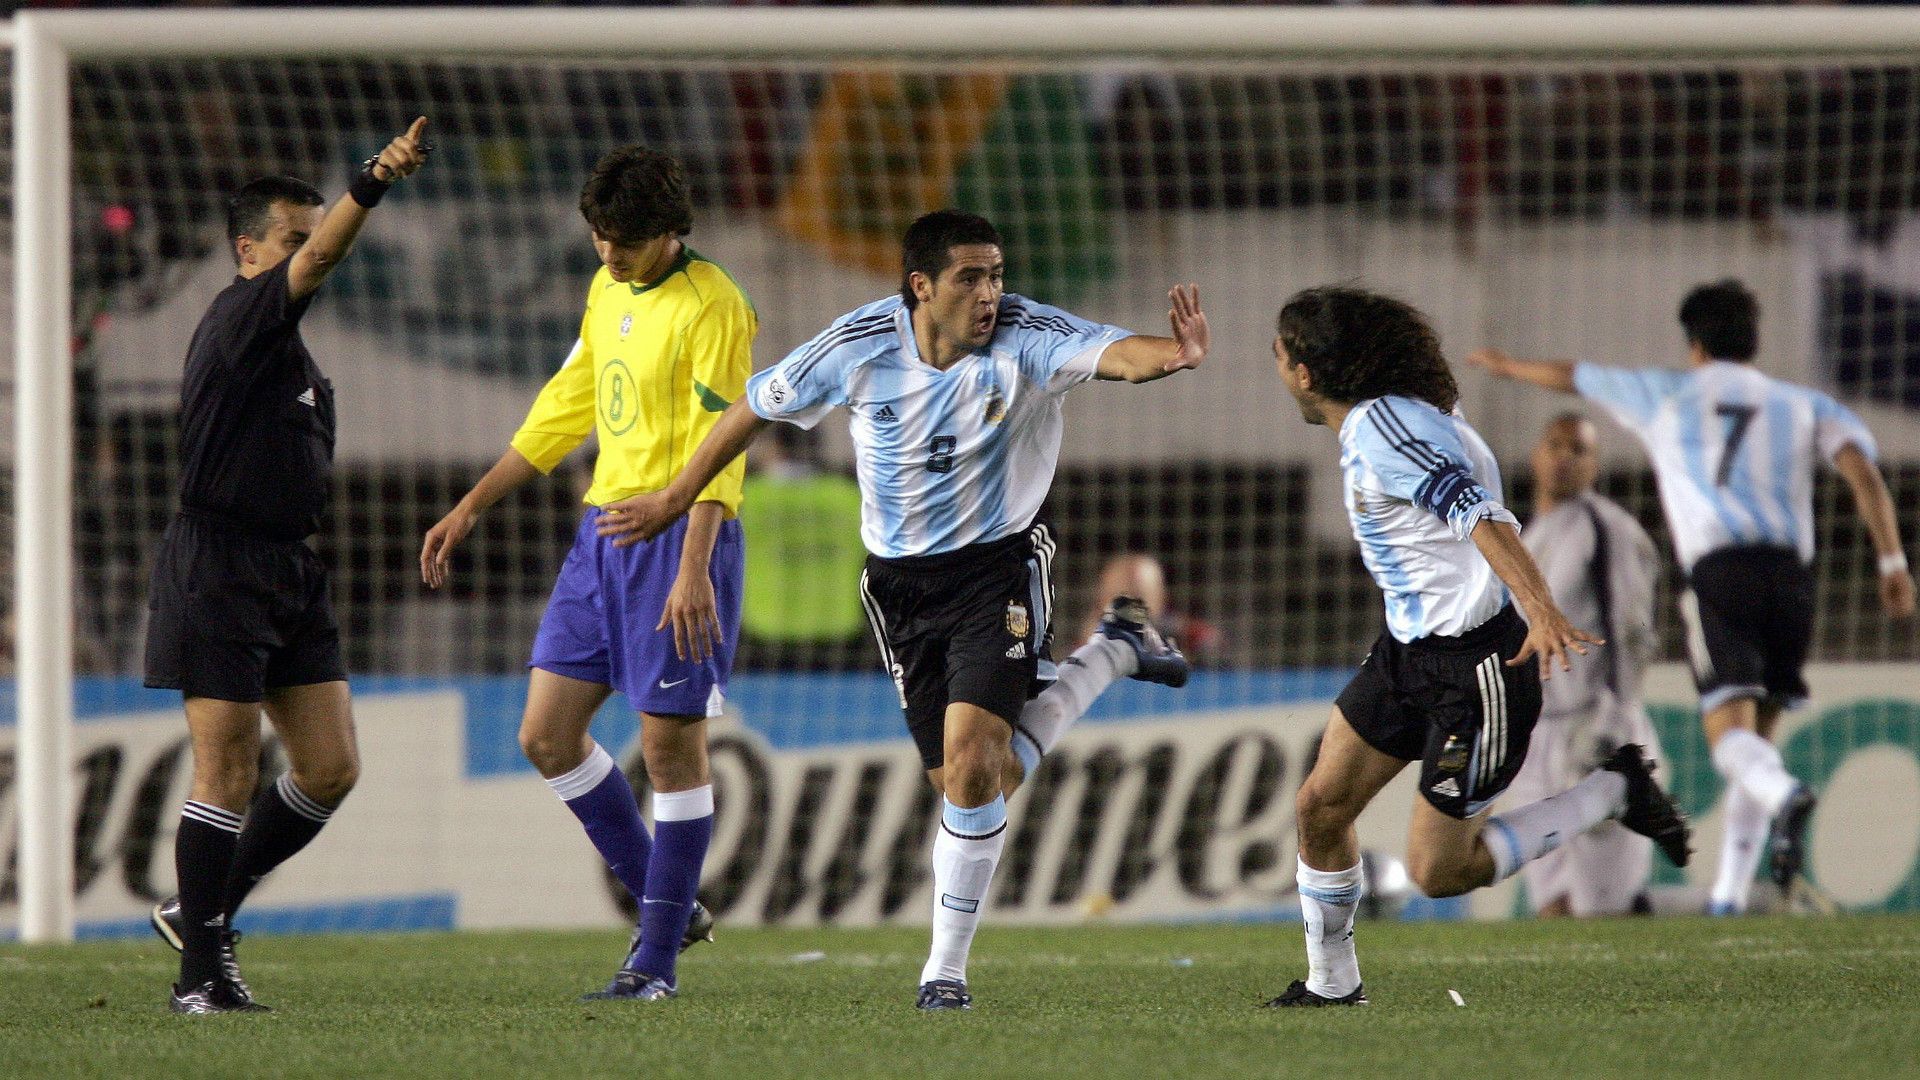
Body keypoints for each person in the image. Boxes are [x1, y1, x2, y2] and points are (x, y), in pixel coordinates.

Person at [600, 209, 1197, 1011]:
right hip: (898, 588)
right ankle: (1115, 648)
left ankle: (943, 974)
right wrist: (676, 497)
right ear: (921, 286)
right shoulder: (857, 346)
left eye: (996, 274)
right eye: (970, 277)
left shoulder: (1026, 336)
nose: (990, 293)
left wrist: (1176, 355)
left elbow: (1117, 355)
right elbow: (749, 408)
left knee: (975, 764)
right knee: (975, 778)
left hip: (999, 569)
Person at [1267, 286, 1688, 1007]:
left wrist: (1541, 608)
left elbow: (1478, 511)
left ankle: (1615, 789)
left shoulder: (1380, 429)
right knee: (1320, 808)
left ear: (1307, 373)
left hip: (1479, 671)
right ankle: (1333, 986)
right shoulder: (1400, 415)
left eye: (1278, 355)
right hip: (1407, 651)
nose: (1275, 369)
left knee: (1439, 872)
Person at [419, 146, 752, 1001]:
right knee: (544, 735)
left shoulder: (715, 306)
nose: (609, 253)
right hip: (601, 536)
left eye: (626, 242)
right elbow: (567, 404)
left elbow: (726, 448)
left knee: (671, 750)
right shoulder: (607, 289)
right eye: (599, 237)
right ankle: (667, 904)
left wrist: (693, 568)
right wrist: (473, 505)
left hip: (677, 544)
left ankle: (655, 960)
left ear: (672, 231)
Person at [1470, 279, 1915, 914]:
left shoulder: (1668, 393)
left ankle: (1784, 793)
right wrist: (1892, 559)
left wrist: (1506, 365)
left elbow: (1575, 377)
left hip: (1720, 574)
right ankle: (1731, 897)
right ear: (1753, 341)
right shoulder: (1804, 403)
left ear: (1694, 344)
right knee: (1757, 736)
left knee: (1731, 740)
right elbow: (1863, 472)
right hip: (1793, 577)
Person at [142, 119, 431, 1014]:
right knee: (226, 769)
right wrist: (374, 178)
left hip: (289, 572)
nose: (312, 254)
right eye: (294, 239)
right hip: (219, 564)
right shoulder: (244, 312)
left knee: (331, 766)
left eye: (315, 235)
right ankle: (200, 975)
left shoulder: (291, 349)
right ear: (248, 251)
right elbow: (320, 261)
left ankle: (202, 906)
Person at [1507, 414, 1665, 918]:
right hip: (1535, 740)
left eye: (1577, 449)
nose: (1562, 458)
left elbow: (1632, 631)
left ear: (1594, 465)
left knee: (1603, 907)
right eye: (1554, 445)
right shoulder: (1528, 537)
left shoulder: (1608, 530)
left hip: (1593, 726)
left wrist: (1616, 719)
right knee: (1551, 900)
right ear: (1535, 455)